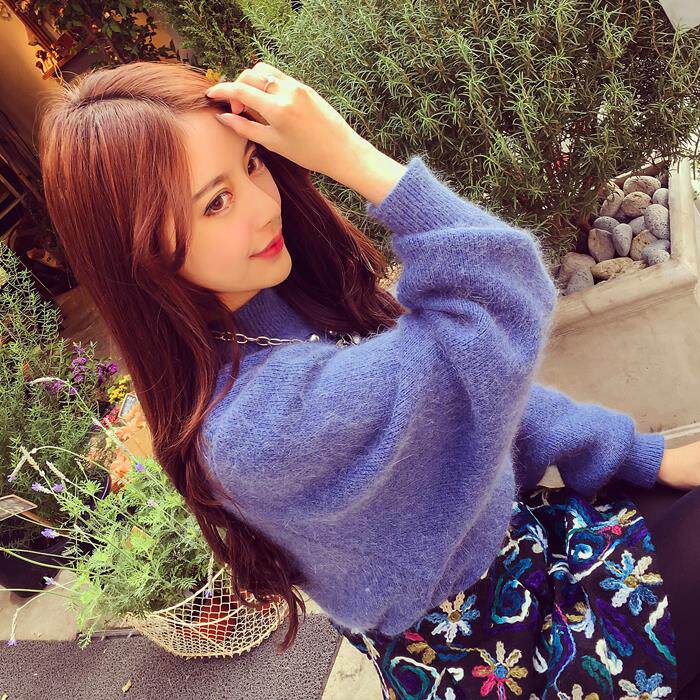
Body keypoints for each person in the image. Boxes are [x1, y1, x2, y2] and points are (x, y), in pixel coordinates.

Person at [36, 59, 700, 698]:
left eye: (252, 163)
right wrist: (350, 155)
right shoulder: (256, 425)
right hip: (514, 645)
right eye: (216, 203)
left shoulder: (276, 304)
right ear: (143, 254)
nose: (263, 206)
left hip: (536, 550)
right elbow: (497, 308)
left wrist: (639, 455)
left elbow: (477, 397)